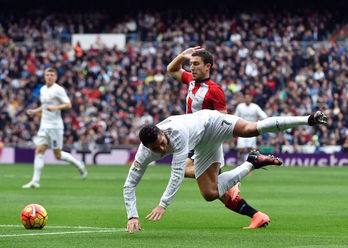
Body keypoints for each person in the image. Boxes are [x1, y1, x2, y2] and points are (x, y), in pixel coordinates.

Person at [124, 109, 327, 233]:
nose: (161, 149)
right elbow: (129, 184)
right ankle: (252, 162)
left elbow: (176, 173)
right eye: (155, 148)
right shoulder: (144, 154)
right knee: (210, 193)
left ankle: (308, 119)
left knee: (250, 129)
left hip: (211, 123)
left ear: (162, 132)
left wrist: (163, 204)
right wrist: (132, 215)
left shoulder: (176, 135)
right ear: (146, 148)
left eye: (161, 143)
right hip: (203, 145)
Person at [167, 46, 268, 228]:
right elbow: (171, 70)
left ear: (208, 66)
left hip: (206, 143)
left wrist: (210, 142)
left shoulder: (214, 90)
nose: (192, 68)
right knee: (215, 191)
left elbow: (223, 120)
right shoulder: (190, 81)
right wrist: (182, 55)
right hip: (195, 142)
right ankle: (256, 214)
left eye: (196, 64)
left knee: (202, 184)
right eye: (190, 64)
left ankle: (235, 180)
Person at [22, 68, 87, 189]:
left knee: (57, 155)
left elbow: (68, 104)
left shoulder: (58, 89)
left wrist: (55, 107)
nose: (49, 77)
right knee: (39, 150)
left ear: (55, 77)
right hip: (44, 125)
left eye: (52, 75)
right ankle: (35, 181)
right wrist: (35, 111)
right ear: (45, 76)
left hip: (55, 127)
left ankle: (79, 164)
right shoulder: (43, 89)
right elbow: (45, 106)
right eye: (47, 75)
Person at [235, 91, 268, 163]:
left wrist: (260, 124)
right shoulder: (240, 107)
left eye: (248, 98)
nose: (247, 99)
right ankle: (239, 162)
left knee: (250, 149)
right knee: (241, 149)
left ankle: (249, 164)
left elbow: (264, 116)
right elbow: (235, 117)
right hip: (242, 130)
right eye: (246, 98)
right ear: (244, 98)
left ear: (251, 98)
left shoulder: (255, 107)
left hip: (252, 130)